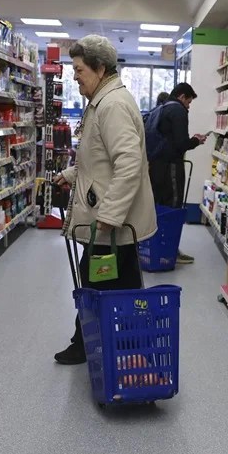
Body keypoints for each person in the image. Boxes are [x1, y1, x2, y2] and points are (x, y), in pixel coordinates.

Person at [53, 35, 157, 365]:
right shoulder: (104, 101)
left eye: (79, 69)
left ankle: (95, 345)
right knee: (117, 286)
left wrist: (110, 215)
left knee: (96, 284)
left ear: (99, 69)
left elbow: (129, 163)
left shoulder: (111, 106)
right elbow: (99, 158)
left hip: (111, 225)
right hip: (111, 222)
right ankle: (127, 347)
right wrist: (71, 175)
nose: (74, 76)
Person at [145, 82, 209, 264]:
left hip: (156, 167)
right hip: (170, 168)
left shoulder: (162, 107)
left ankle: (155, 246)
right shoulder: (178, 111)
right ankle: (170, 250)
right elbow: (181, 144)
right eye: (189, 102)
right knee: (172, 209)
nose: (188, 106)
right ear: (182, 97)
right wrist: (196, 140)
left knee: (158, 207)